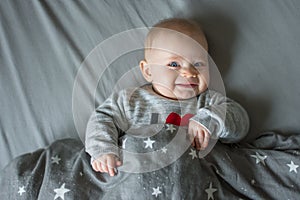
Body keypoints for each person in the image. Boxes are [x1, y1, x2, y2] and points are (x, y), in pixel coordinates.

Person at [85, 18, 249, 176]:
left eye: (198, 64)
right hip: (141, 175)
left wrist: (210, 119)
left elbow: (240, 121)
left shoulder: (207, 102)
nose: (189, 73)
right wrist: (103, 150)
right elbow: (102, 118)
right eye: (174, 64)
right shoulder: (131, 101)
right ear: (148, 71)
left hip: (191, 178)